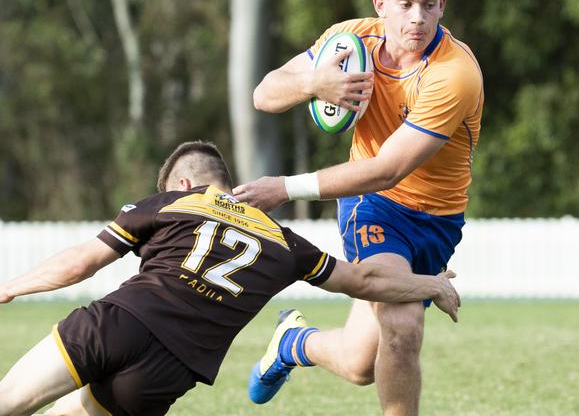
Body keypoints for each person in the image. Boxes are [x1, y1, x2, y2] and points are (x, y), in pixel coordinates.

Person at [0, 140, 460, 416]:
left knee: (10, 401)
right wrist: (433, 285)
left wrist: (11, 287)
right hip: (171, 369)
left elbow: (82, 262)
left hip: (120, 323)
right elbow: (365, 282)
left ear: (183, 185)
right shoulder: (287, 244)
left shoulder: (174, 204)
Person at [235, 0, 483, 416]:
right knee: (404, 325)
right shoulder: (349, 43)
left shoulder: (453, 75)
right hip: (374, 204)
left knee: (358, 364)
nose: (417, 18)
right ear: (381, 5)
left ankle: (293, 343)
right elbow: (264, 93)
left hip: (437, 221)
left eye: (429, 4)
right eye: (406, 5)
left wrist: (284, 188)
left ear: (442, 4)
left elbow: (391, 164)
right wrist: (313, 82)